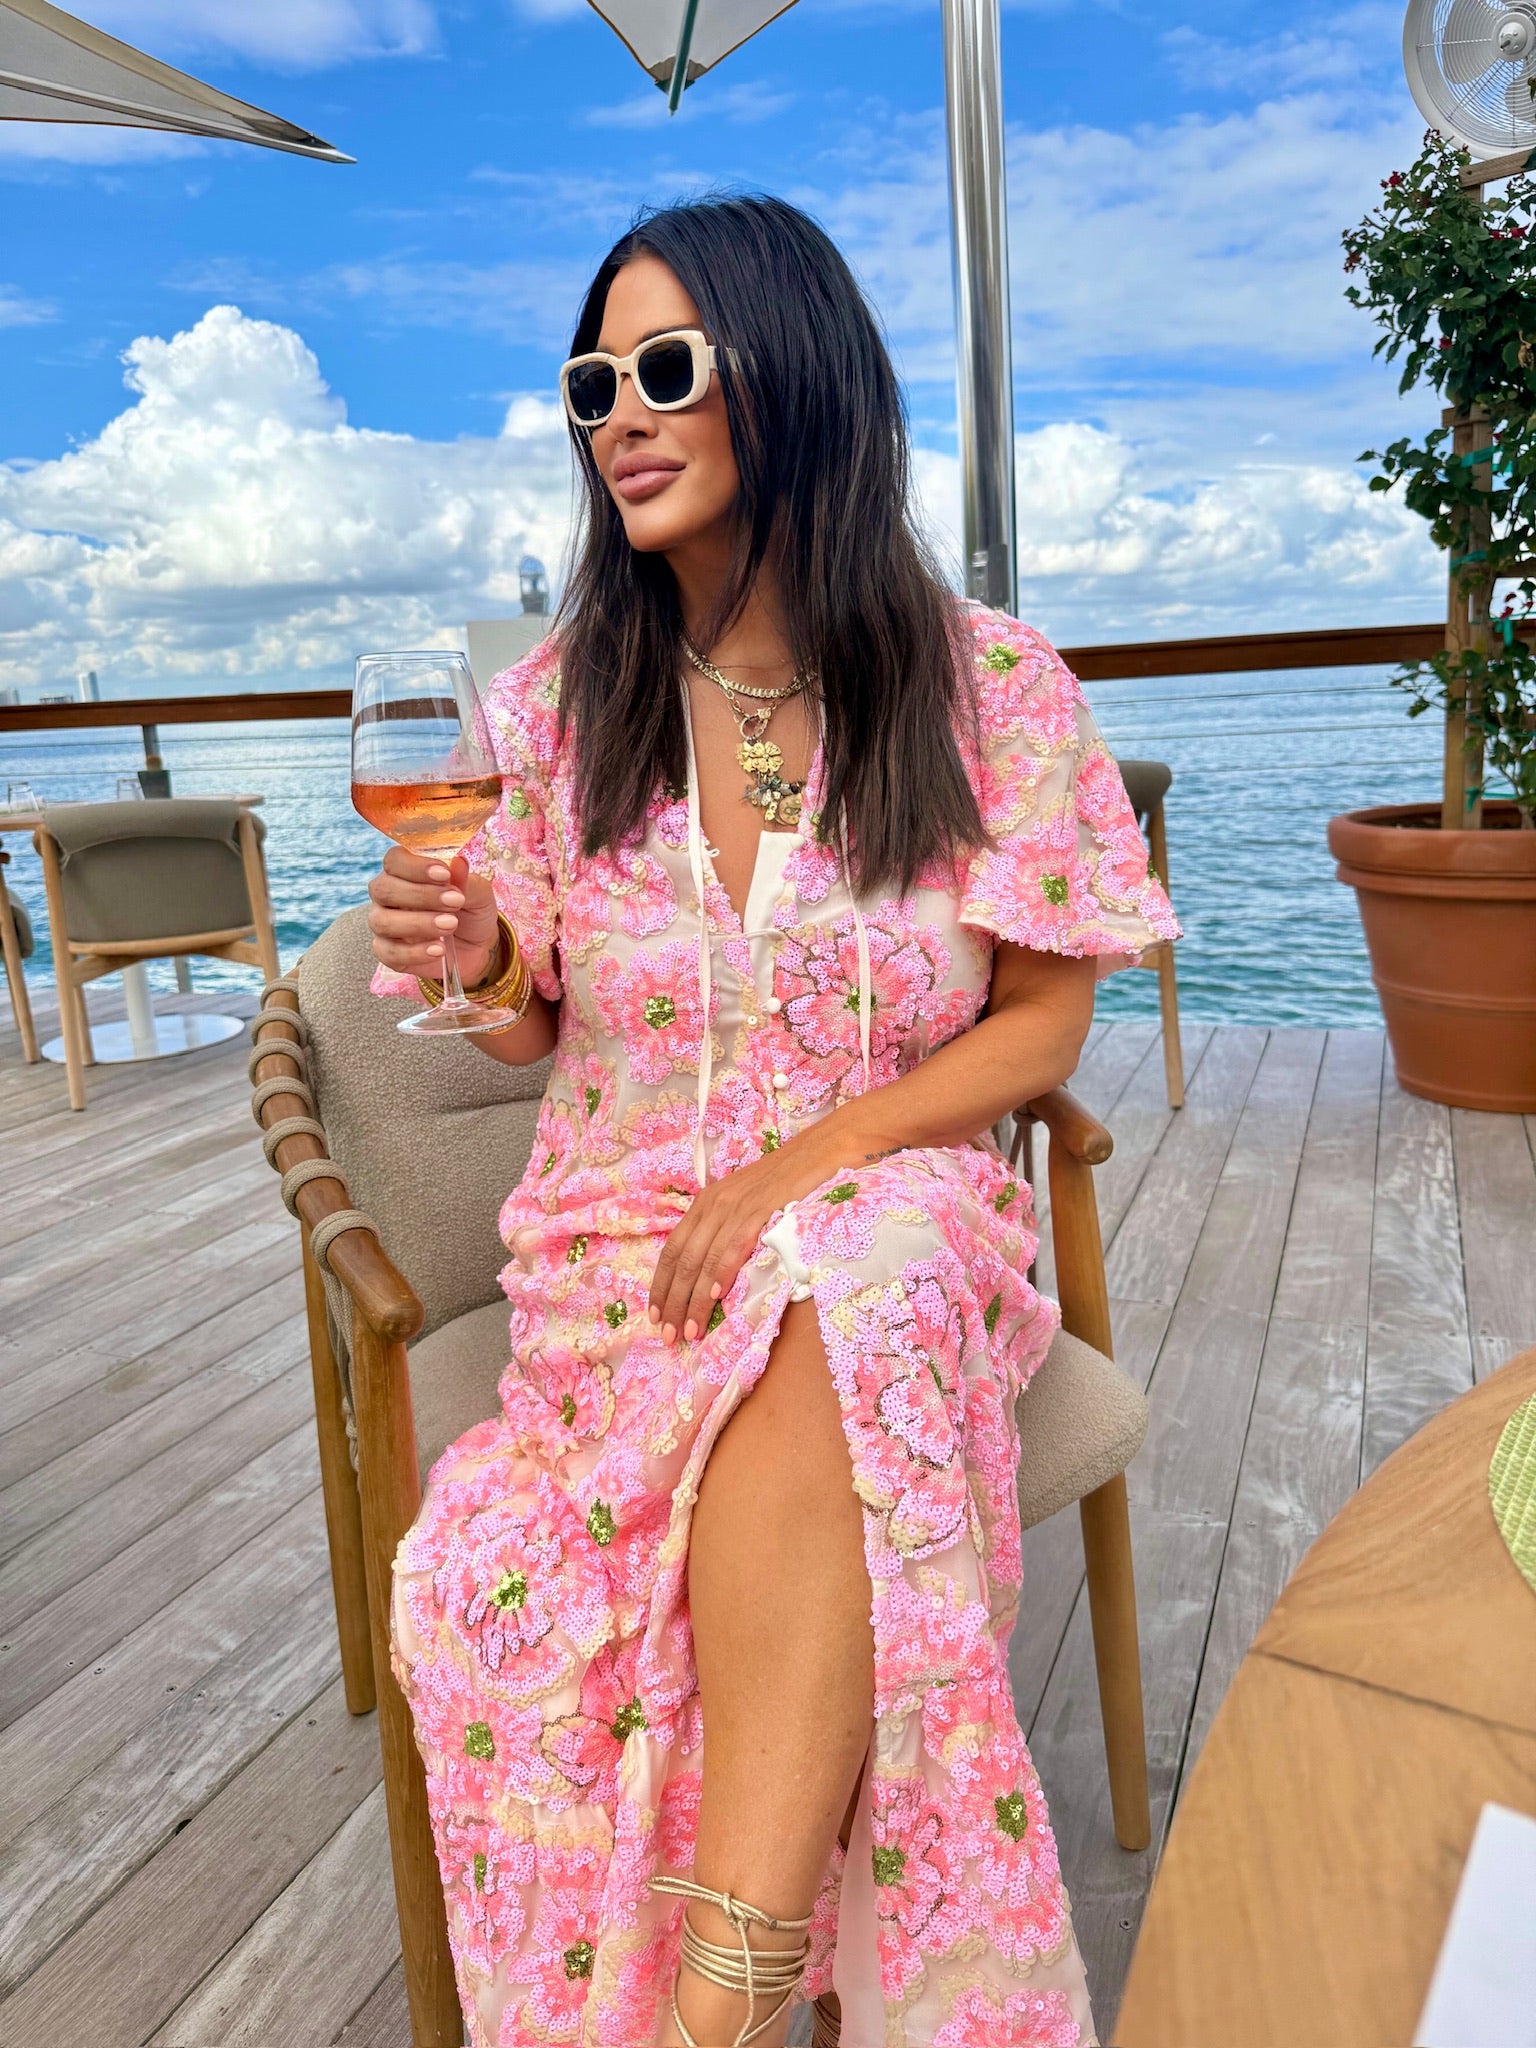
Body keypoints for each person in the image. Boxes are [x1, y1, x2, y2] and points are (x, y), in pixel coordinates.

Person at [367, 193, 1177, 2048]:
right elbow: (523, 1024)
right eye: (591, 386)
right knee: (542, 1560)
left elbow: (1045, 1017)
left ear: (794, 370)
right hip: (627, 1253)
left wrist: (811, 1162)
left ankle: (713, 2011)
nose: (620, 419)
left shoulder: (987, 688)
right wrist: (481, 957)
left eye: (666, 368)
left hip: (896, 1214)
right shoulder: (554, 713)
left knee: (848, 1274)